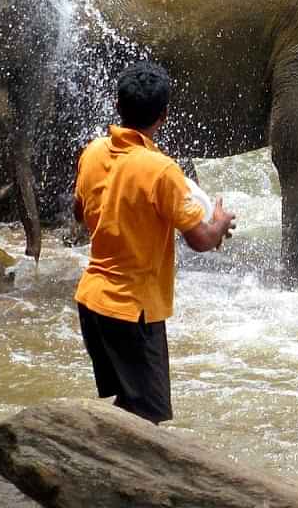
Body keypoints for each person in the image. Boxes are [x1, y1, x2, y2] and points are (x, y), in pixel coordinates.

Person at [73, 61, 234, 424]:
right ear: (163, 115)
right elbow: (200, 239)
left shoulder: (93, 152)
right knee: (148, 414)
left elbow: (80, 212)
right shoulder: (161, 170)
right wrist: (220, 223)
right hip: (133, 311)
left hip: (92, 302)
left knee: (129, 407)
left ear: (117, 106)